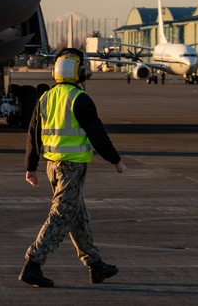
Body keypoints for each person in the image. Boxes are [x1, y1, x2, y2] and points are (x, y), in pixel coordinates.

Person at [20, 48, 128, 287]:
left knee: (77, 216)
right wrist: (116, 161)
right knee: (60, 216)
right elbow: (97, 133)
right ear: (78, 71)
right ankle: (33, 264)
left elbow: (33, 133)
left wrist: (31, 166)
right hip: (71, 167)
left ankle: (95, 265)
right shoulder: (80, 99)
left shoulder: (45, 97)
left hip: (53, 166)